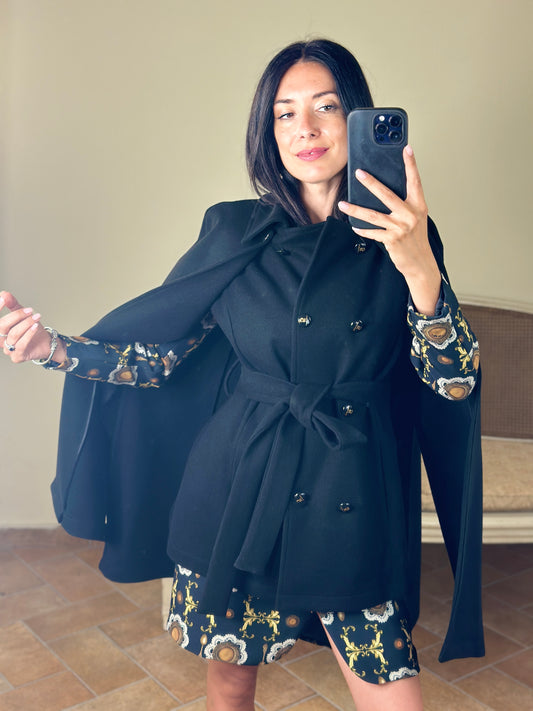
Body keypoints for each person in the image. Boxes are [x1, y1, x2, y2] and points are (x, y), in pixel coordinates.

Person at [0, 39, 483, 711]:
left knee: (393, 695)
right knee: (230, 686)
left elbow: (454, 380)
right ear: (267, 131)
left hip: (350, 492)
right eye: (284, 113)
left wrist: (418, 265)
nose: (304, 128)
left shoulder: (405, 235)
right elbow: (160, 356)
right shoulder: (232, 232)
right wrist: (51, 347)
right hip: (237, 486)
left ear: (357, 119)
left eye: (326, 107)